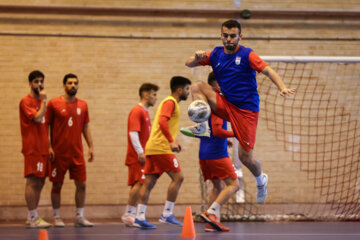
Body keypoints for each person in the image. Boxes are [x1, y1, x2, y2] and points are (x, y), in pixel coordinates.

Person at [184, 19, 295, 229]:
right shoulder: (215, 54)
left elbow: (269, 71)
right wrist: (196, 57)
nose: (228, 39)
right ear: (221, 36)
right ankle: (201, 126)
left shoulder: (247, 55)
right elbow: (188, 63)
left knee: (246, 157)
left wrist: (282, 86)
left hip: (246, 112)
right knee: (197, 86)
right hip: (227, 104)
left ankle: (261, 178)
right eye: (225, 35)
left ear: (239, 37)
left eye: (233, 36)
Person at [181, 72, 239, 232]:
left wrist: (224, 138)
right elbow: (219, 130)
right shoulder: (217, 104)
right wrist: (234, 134)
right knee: (234, 184)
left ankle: (211, 223)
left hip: (204, 154)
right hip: (217, 154)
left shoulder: (207, 105)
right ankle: (211, 213)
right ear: (215, 85)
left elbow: (212, 129)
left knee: (218, 187)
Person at [134, 76, 191, 229]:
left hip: (153, 147)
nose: (188, 92)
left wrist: (174, 140)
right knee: (178, 177)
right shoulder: (170, 102)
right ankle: (167, 214)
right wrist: (170, 141)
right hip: (161, 148)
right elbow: (162, 121)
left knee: (148, 183)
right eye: (187, 89)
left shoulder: (170, 103)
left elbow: (164, 124)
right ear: (179, 90)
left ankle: (139, 216)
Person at [47, 73, 94, 227]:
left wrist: (91, 146)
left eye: (75, 83)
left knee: (82, 185)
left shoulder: (83, 105)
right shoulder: (53, 104)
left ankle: (79, 217)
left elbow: (85, 127)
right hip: (59, 154)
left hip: (77, 153)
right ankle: (57, 217)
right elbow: (46, 126)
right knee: (57, 185)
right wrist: (48, 146)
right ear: (64, 85)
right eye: (70, 83)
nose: (73, 85)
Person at [121, 83, 159, 227]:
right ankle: (129, 214)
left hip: (142, 155)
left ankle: (131, 214)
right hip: (138, 156)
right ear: (145, 95)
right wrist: (140, 152)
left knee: (139, 183)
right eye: (154, 94)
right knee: (140, 183)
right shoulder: (137, 111)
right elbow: (133, 133)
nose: (156, 98)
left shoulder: (144, 112)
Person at [19, 70, 52, 228]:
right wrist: (44, 102)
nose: (40, 84)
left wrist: (49, 145)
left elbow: (46, 126)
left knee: (40, 181)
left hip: (43, 147)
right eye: (36, 81)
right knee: (32, 181)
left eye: (41, 81)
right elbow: (37, 118)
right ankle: (33, 217)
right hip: (32, 148)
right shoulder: (26, 101)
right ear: (30, 83)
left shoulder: (41, 102)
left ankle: (30, 215)